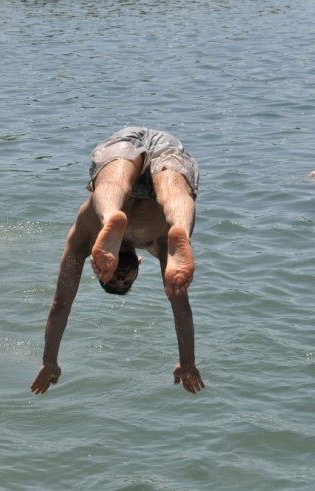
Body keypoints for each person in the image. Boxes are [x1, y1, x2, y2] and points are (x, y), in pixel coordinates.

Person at [30, 127, 205, 395]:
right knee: (174, 192)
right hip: (165, 166)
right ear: (139, 264)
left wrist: (49, 360)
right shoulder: (160, 248)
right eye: (126, 279)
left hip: (123, 144)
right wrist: (188, 361)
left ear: (100, 269)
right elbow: (181, 308)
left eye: (113, 279)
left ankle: (112, 215)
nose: (120, 275)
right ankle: (178, 227)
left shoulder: (83, 241)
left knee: (112, 184)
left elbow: (61, 303)